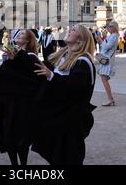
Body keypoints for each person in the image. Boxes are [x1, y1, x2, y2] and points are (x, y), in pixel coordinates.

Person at [32, 25, 97, 165]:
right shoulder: (63, 54)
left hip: (72, 119)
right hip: (60, 116)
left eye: (73, 30)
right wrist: (18, 59)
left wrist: (51, 76)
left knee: (69, 157)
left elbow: (75, 86)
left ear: (81, 39)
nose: (69, 30)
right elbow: (40, 67)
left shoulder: (83, 62)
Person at [0, 30, 43, 166]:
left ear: (27, 41)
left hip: (21, 104)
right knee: (6, 135)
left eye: (21, 35)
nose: (17, 36)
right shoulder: (12, 54)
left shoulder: (31, 57)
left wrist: (15, 57)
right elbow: (6, 73)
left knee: (21, 137)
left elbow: (32, 78)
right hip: (6, 102)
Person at [96, 21, 119, 106]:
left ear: (114, 27)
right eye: (107, 26)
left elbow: (106, 46)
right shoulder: (112, 36)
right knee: (104, 78)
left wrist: (100, 41)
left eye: (109, 26)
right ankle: (110, 99)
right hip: (107, 59)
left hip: (107, 60)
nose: (107, 28)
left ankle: (110, 99)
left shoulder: (114, 36)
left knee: (104, 78)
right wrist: (100, 41)